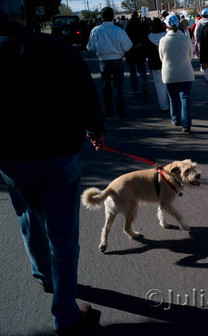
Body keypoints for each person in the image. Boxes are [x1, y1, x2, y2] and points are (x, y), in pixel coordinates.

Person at [0, 0, 106, 334]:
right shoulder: (57, 48)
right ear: (24, 13)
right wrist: (95, 130)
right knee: (63, 235)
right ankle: (66, 314)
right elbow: (87, 93)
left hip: (12, 158)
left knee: (29, 217)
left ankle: (43, 275)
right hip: (60, 153)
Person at [87, 7, 132, 118]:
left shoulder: (96, 30)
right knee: (118, 87)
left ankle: (109, 111)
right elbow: (128, 45)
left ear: (102, 17)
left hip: (103, 61)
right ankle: (121, 111)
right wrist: (120, 50)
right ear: (113, 16)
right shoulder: (119, 30)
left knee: (106, 87)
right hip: (117, 59)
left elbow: (90, 48)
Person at [159, 14, 195, 133]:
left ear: (166, 26)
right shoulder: (185, 38)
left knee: (173, 98)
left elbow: (162, 58)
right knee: (185, 98)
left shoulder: (163, 40)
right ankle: (187, 123)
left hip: (169, 74)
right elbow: (190, 55)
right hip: (185, 72)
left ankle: (176, 119)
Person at [146, 18, 169, 113]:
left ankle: (164, 106)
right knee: (169, 84)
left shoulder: (148, 37)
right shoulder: (166, 35)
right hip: (167, 62)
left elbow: (146, 53)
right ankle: (173, 103)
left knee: (159, 86)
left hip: (155, 64)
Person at [125, 11, 149, 97]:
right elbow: (146, 38)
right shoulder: (142, 25)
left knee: (133, 72)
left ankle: (135, 89)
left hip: (130, 52)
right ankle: (144, 87)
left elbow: (125, 39)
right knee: (142, 71)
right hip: (140, 51)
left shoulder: (128, 27)